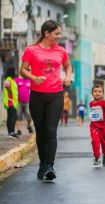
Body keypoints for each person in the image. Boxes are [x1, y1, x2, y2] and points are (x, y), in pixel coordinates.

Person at [20, 20, 72, 181]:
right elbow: (22, 70)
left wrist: (68, 78)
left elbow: (68, 66)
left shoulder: (61, 51)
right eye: (56, 33)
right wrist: (33, 77)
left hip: (56, 95)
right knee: (41, 132)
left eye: (59, 33)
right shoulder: (31, 50)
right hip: (37, 96)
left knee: (50, 131)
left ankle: (49, 165)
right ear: (46, 33)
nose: (59, 36)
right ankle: (43, 165)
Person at [89, 85, 105, 166]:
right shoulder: (91, 103)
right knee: (95, 141)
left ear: (102, 94)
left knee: (104, 143)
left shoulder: (103, 103)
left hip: (103, 127)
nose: (97, 93)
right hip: (94, 126)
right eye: (95, 91)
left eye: (99, 91)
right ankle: (96, 157)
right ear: (92, 93)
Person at [3, 67, 19, 139]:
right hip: (10, 101)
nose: (16, 73)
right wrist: (10, 91)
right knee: (13, 117)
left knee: (11, 117)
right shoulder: (8, 79)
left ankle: (10, 132)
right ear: (12, 72)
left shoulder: (12, 80)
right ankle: (11, 132)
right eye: (15, 71)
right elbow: (6, 86)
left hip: (12, 101)